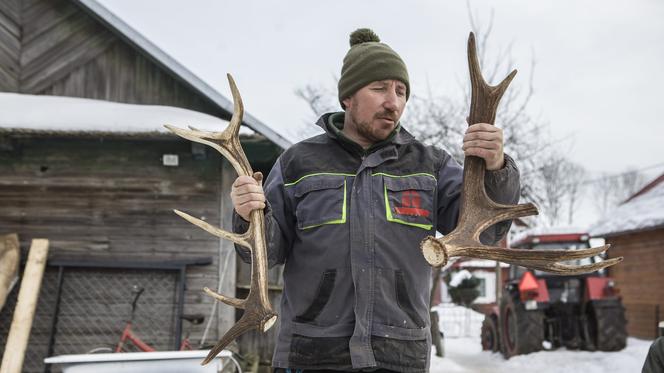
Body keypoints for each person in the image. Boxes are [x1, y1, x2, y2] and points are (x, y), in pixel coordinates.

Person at [232, 28, 520, 373]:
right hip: (312, 353)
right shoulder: (299, 163)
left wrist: (496, 168)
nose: (393, 102)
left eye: (401, 91)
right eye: (380, 88)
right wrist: (247, 215)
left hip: (399, 354)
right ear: (348, 97)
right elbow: (265, 255)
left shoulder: (429, 165)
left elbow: (487, 232)